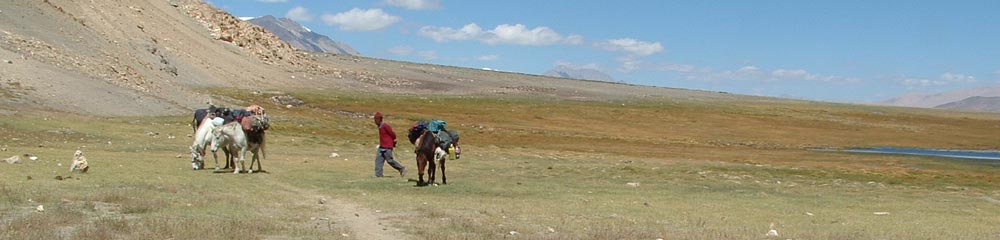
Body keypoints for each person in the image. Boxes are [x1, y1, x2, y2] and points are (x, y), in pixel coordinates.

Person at [373, 112, 405, 177]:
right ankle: (378, 175)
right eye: (375, 119)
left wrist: (394, 141)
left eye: (377, 119)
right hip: (381, 146)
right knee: (378, 160)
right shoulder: (379, 126)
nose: (375, 121)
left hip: (387, 147)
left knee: (390, 160)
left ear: (380, 119)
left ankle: (401, 168)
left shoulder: (385, 126)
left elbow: (392, 134)